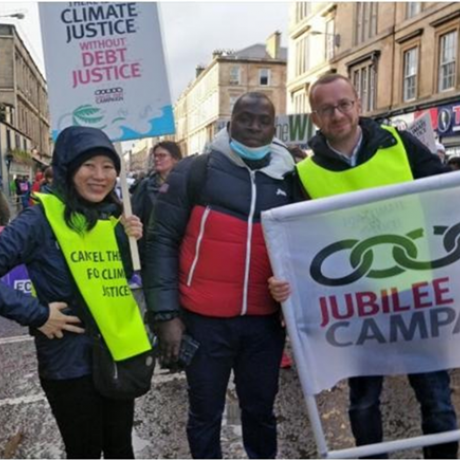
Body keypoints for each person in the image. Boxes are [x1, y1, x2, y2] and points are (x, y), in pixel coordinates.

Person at [269, 74, 458, 459]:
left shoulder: (401, 145)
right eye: (326, 109)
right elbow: (296, 246)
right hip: (356, 305)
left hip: (416, 293)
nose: (337, 114)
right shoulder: (302, 175)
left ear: (358, 103)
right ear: (315, 118)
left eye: (344, 104)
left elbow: (445, 197)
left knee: (436, 397)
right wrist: (284, 284)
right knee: (362, 403)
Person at [143, 92, 296, 459]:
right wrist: (166, 315)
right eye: (246, 118)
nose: (255, 127)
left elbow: (301, 244)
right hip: (204, 323)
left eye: (264, 120)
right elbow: (160, 241)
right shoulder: (195, 170)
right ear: (230, 122)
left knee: (260, 413)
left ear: (274, 126)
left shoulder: (290, 175)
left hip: (263, 325)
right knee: (205, 415)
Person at [0, 126, 145, 459]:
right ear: (67, 168)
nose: (100, 175)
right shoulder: (39, 220)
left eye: (108, 166)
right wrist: (37, 314)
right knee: (84, 452)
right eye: (88, 165)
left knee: (122, 450)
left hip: (115, 355)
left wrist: (128, 240)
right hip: (69, 365)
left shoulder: (111, 216)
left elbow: (118, 279)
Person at [131, 141, 182, 257]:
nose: (157, 159)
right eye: (155, 156)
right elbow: (135, 215)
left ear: (175, 159)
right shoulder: (145, 185)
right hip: (152, 247)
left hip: (179, 246)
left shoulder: (186, 183)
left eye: (162, 156)